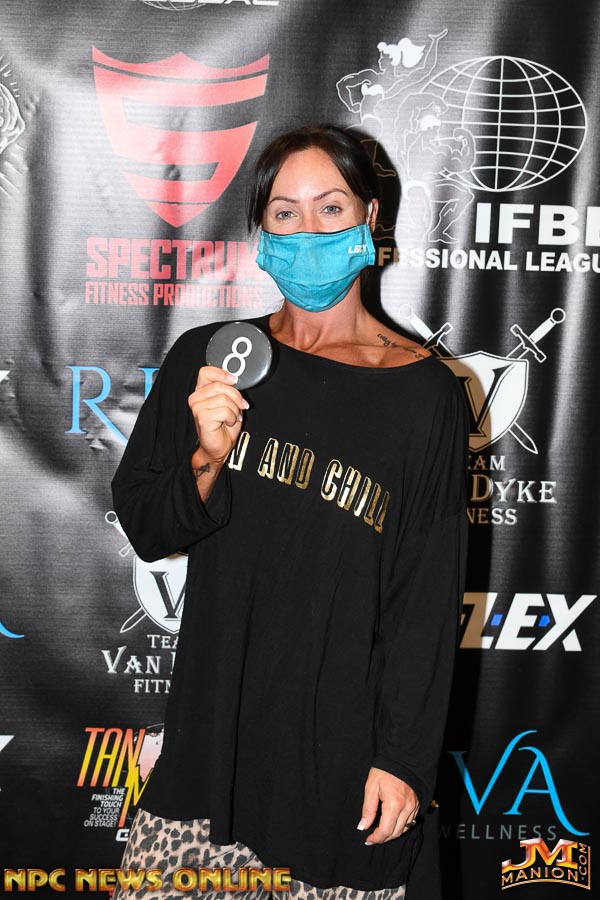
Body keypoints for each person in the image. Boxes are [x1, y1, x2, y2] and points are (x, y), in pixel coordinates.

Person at [111, 124, 468, 899]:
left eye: (330, 208)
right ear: (261, 233)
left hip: (340, 773)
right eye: (285, 213)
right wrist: (208, 456)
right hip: (208, 758)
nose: (308, 232)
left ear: (370, 218)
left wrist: (403, 761)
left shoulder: (426, 395)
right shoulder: (209, 359)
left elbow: (425, 598)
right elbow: (148, 527)